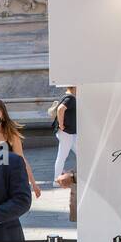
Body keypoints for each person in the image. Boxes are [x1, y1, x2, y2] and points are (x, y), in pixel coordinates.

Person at [0, 97, 40, 199]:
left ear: (3, 116)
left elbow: (21, 159)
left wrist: (33, 183)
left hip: (6, 183)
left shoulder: (11, 136)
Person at [52, 85, 78, 220]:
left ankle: (59, 178)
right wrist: (62, 125)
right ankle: (57, 180)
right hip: (67, 132)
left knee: (81, 153)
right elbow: (61, 109)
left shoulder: (67, 96)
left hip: (69, 132)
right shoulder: (70, 98)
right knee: (62, 155)